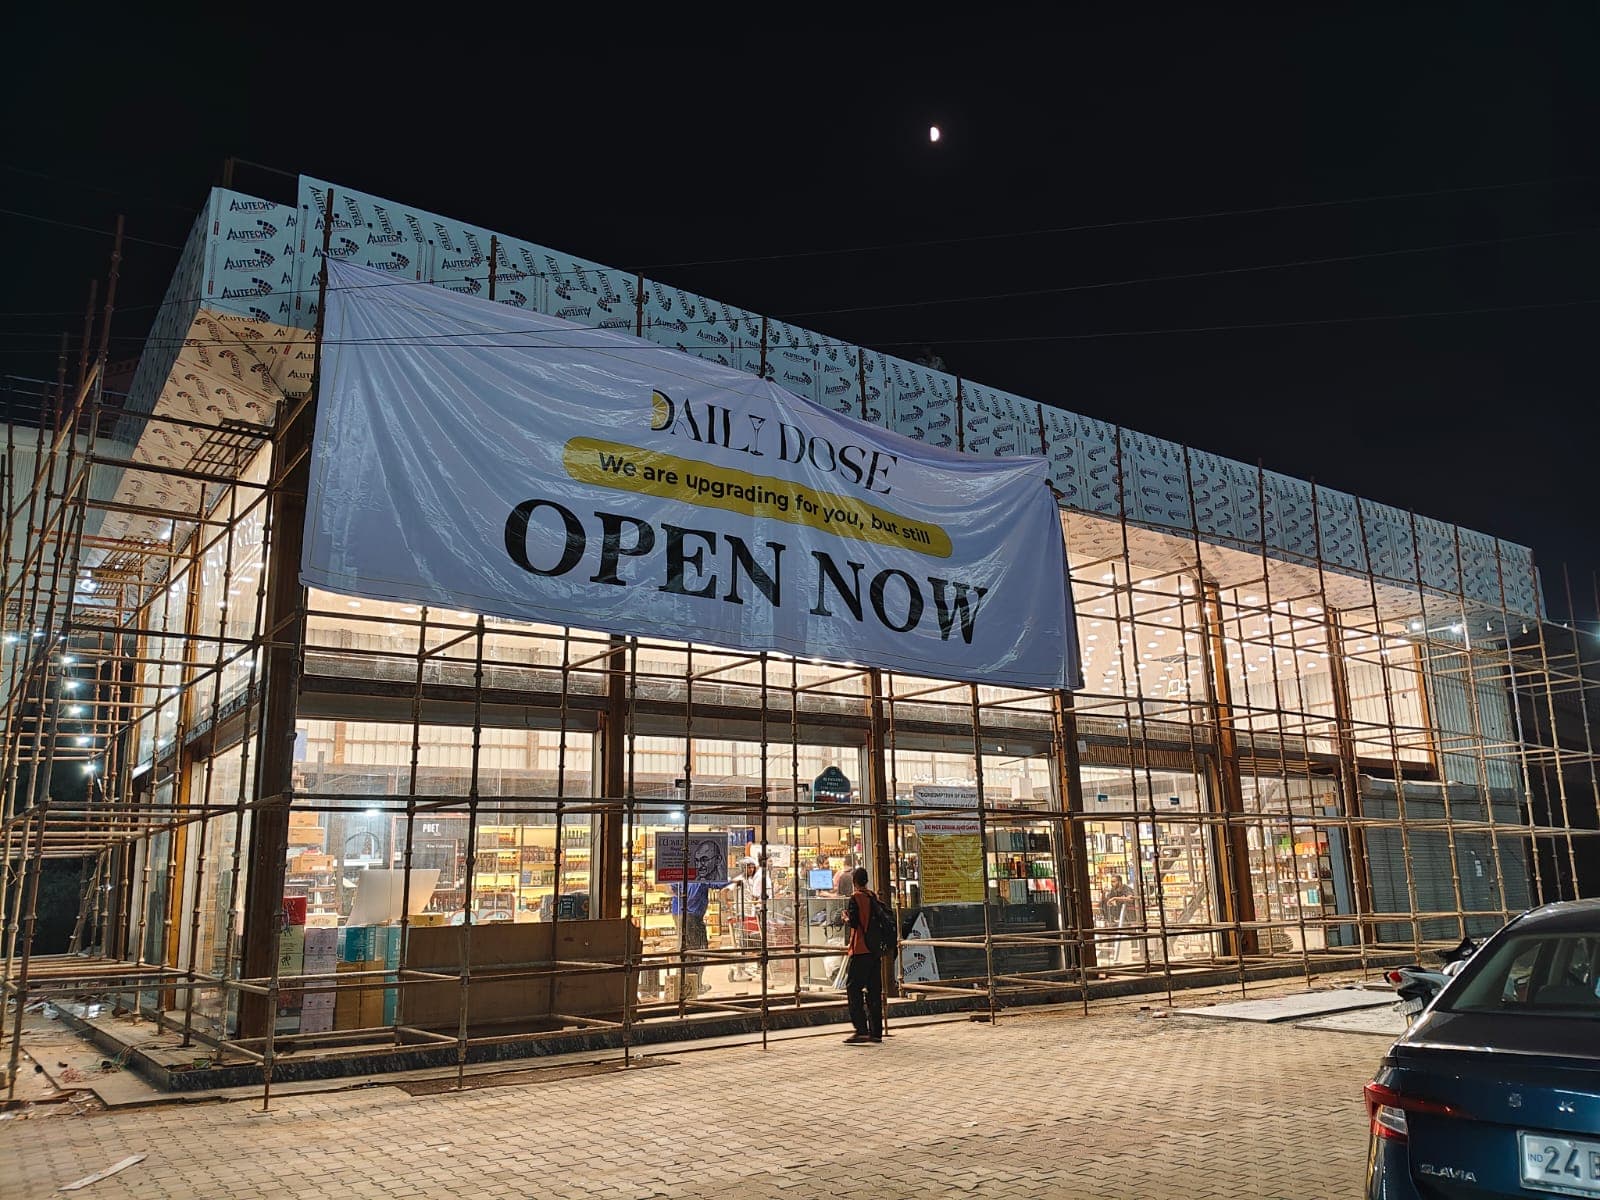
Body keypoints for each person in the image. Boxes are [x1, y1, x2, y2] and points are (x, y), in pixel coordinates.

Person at [841, 866, 883, 1044]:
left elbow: (855, 923)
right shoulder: (873, 896)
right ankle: (876, 1031)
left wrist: (846, 918)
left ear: (854, 882)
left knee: (853, 988)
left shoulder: (856, 898)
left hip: (860, 949)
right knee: (874, 990)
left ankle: (861, 1029)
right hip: (874, 950)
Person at [721, 855, 770, 982]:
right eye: (748, 868)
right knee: (742, 943)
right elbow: (724, 891)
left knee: (756, 940)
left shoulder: (754, 879)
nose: (751, 870)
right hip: (742, 914)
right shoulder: (740, 879)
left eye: (752, 867)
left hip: (753, 914)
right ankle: (739, 970)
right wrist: (728, 907)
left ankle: (757, 967)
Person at [669, 879, 712, 996]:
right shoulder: (698, 876)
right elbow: (716, 882)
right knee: (697, 951)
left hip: (683, 913)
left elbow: (672, 888)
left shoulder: (681, 874)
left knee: (686, 949)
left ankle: (686, 985)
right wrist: (734, 880)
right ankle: (693, 986)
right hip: (690, 916)